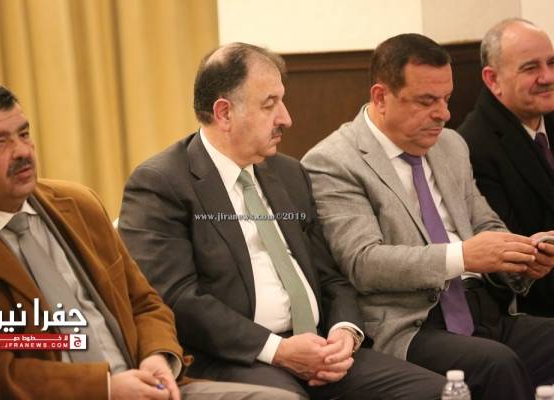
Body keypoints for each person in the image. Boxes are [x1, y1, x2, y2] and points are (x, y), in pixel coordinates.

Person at [118, 42, 446, 400]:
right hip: (237, 358)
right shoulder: (162, 183)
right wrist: (278, 350)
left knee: (439, 392)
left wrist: (344, 332)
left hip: (320, 348)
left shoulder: (290, 174)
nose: (286, 118)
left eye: (282, 101)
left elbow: (330, 275)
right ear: (224, 113)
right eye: (269, 104)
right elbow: (178, 300)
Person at [0, 83, 300, 400]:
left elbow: (145, 302)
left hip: (148, 385)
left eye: (24, 134)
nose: (21, 152)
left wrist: (157, 357)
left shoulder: (78, 205)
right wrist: (106, 389)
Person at [301, 33, 554, 400]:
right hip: (413, 325)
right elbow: (363, 262)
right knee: (497, 364)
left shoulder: (450, 145)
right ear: (381, 97)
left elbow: (485, 224)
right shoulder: (334, 161)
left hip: (483, 309)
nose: (444, 114)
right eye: (426, 101)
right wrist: (462, 256)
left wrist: (523, 256)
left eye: (446, 98)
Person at [458, 18, 554, 316]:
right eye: (531, 68)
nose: (548, 76)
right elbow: (519, 259)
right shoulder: (473, 146)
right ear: (493, 80)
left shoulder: (547, 111)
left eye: (552, 63)